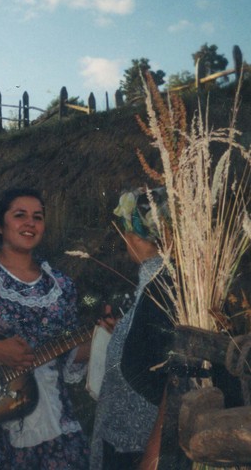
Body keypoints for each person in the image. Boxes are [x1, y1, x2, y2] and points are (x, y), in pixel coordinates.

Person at [0, 187, 95, 470]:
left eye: (37, 217)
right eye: (20, 215)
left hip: (53, 418)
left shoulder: (61, 285)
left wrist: (102, 339)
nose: (30, 223)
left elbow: (66, 354)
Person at [89, 187, 170, 470]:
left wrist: (153, 453)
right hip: (127, 434)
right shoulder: (154, 279)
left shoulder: (163, 286)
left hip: (137, 443)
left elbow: (172, 379)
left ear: (133, 237)